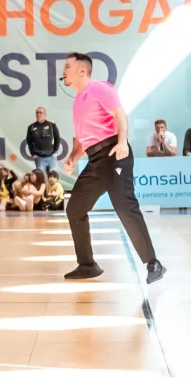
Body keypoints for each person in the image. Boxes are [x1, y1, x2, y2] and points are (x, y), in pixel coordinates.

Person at [61, 52, 164, 283]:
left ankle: (153, 263)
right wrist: (72, 157)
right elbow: (81, 139)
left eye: (67, 66)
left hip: (114, 154)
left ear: (82, 70)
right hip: (95, 160)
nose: (63, 71)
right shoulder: (78, 101)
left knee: (125, 206)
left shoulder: (99, 88)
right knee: (74, 209)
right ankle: (87, 265)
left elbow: (120, 114)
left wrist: (122, 141)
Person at [23, 106, 63, 176]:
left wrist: (56, 151)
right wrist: (33, 154)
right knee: (42, 178)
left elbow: (57, 138)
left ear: (45, 114)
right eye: (37, 113)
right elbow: (29, 142)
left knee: (53, 177)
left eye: (40, 113)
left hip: (51, 156)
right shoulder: (31, 127)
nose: (38, 114)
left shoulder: (51, 124)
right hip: (39, 157)